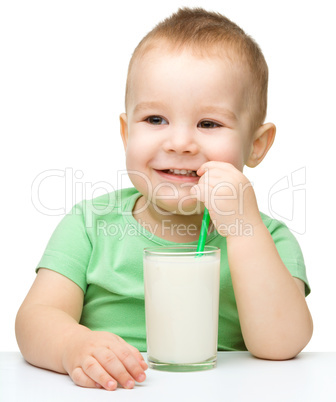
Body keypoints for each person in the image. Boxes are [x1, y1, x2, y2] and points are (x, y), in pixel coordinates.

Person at [15, 7, 313, 391]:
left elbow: (282, 344)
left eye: (209, 124)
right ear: (126, 133)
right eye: (155, 119)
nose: (179, 143)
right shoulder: (90, 224)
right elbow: (35, 319)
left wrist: (243, 229)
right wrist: (72, 345)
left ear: (256, 145)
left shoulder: (267, 238)